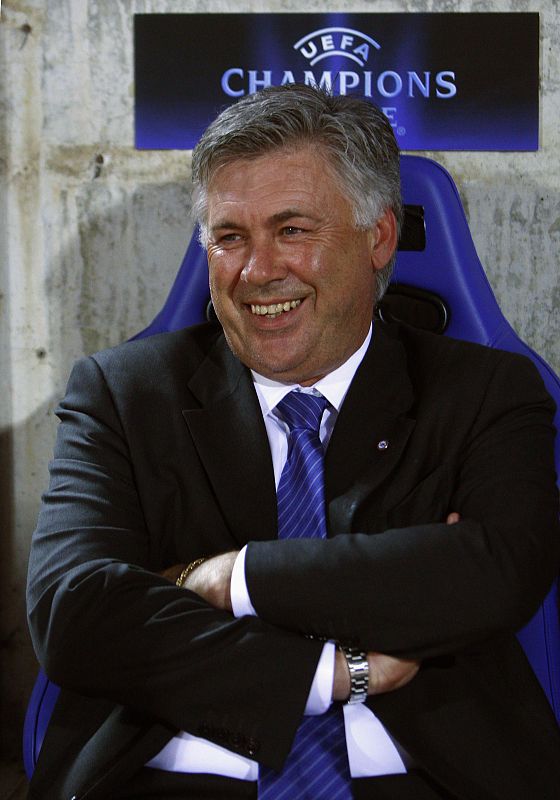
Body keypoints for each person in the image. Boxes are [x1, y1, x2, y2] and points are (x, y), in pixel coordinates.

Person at [27, 84, 560, 800]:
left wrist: (230, 578)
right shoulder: (122, 395)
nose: (257, 271)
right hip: (169, 775)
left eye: (293, 230)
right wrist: (333, 670)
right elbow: (74, 614)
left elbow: (495, 573)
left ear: (378, 237)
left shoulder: (485, 391)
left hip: (422, 774)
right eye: (229, 237)